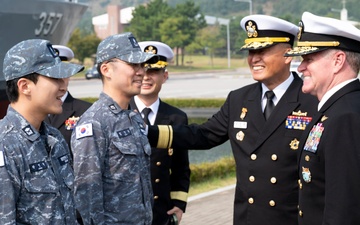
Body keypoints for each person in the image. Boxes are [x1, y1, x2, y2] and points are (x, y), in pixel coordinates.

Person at [147, 15, 319, 225]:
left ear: (287, 55)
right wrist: (146, 132)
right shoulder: (239, 99)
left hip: (292, 218)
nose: (254, 59)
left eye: (262, 51)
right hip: (248, 218)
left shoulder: (312, 99)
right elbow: (203, 136)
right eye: (251, 51)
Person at [70, 32, 159, 225]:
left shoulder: (133, 118)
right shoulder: (94, 123)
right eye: (133, 64)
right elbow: (87, 194)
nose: (141, 72)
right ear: (106, 69)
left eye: (142, 65)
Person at [285, 12, 360, 225]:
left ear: (338, 61)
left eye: (309, 59)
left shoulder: (346, 117)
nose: (300, 67)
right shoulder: (335, 109)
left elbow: (345, 210)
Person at [0, 39, 84, 224]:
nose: (63, 87)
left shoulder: (54, 138)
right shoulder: (5, 145)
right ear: (25, 86)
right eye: (55, 78)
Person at [130, 41, 190, 225]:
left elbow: (181, 167)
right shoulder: (120, 113)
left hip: (161, 211)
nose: (147, 78)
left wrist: (179, 203)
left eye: (154, 72)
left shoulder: (177, 117)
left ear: (165, 76)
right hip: (125, 212)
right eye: (143, 71)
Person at [44, 45, 92, 152]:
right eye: (51, 74)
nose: (58, 79)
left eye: (63, 72)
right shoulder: (32, 112)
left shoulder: (88, 112)